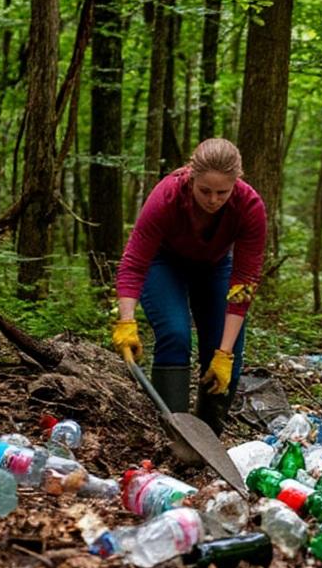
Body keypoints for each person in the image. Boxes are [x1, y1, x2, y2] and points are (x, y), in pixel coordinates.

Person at [111, 138, 267, 437]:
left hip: (215, 266)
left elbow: (244, 281)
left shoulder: (249, 206)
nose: (213, 200)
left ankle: (206, 439)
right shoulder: (167, 196)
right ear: (191, 177)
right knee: (175, 333)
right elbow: (134, 262)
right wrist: (126, 322)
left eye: (222, 192)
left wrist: (224, 353)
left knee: (227, 352)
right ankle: (172, 434)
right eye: (205, 190)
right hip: (164, 264)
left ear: (236, 183)